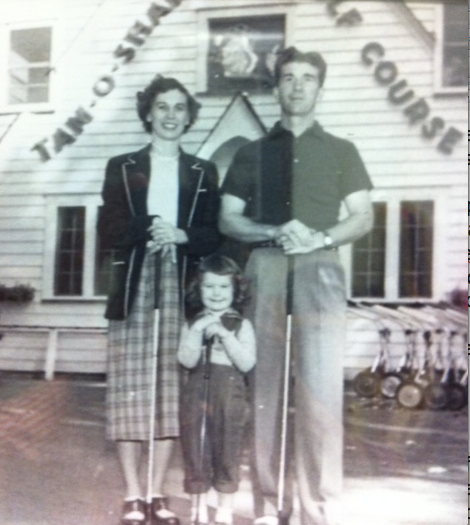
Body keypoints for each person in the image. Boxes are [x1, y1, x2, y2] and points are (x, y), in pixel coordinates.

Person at [219, 47, 374, 525]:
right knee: (264, 385)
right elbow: (228, 219)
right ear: (278, 87)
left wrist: (320, 236)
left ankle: (317, 506)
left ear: (319, 88)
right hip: (266, 267)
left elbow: (362, 216)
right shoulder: (251, 152)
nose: (298, 86)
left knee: (321, 392)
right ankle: (267, 503)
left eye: (308, 78)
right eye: (288, 77)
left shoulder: (341, 151)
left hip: (320, 267)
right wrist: (274, 231)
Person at [97, 76, 222, 525]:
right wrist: (151, 225)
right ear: (148, 112)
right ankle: (133, 493)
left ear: (188, 116)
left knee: (171, 388)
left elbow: (214, 234)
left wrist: (181, 234)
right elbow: (107, 229)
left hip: (178, 279)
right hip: (132, 280)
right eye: (162, 107)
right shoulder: (122, 165)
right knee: (129, 388)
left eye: (178, 108)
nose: (170, 115)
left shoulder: (203, 171)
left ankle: (157, 491)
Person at [177, 255, 256, 525]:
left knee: (228, 450)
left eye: (224, 287)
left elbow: (246, 363)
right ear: (198, 290)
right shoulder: (191, 323)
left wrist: (225, 335)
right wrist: (198, 329)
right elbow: (186, 360)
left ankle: (224, 510)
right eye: (209, 287)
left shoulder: (242, 325)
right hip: (196, 394)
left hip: (229, 395)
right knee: (195, 449)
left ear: (235, 291)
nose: (216, 293)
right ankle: (197, 509)